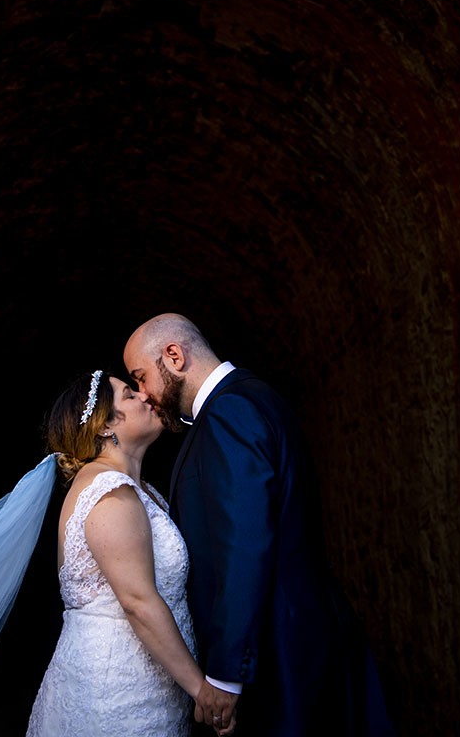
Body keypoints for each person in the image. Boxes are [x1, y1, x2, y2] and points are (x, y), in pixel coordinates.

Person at [123, 314, 395, 736]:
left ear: (173, 356)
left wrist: (226, 674)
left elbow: (244, 543)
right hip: (293, 637)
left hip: (280, 652)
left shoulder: (229, 412)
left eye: (141, 377)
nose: (143, 394)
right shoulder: (252, 397)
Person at [26, 370, 236, 736]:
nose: (143, 395)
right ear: (105, 425)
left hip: (147, 687)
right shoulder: (109, 493)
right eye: (128, 394)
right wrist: (202, 691)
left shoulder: (139, 491)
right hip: (114, 693)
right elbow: (137, 600)